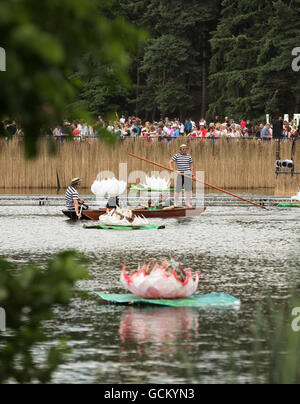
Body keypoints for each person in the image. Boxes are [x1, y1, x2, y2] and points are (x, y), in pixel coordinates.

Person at [169, 144, 194, 208]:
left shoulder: (189, 156)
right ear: (180, 150)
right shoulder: (176, 156)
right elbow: (170, 162)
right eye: (183, 149)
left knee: (188, 190)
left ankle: (188, 203)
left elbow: (191, 166)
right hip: (180, 174)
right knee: (178, 189)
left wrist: (192, 174)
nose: (184, 150)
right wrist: (171, 168)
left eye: (185, 149)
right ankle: (175, 204)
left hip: (187, 174)